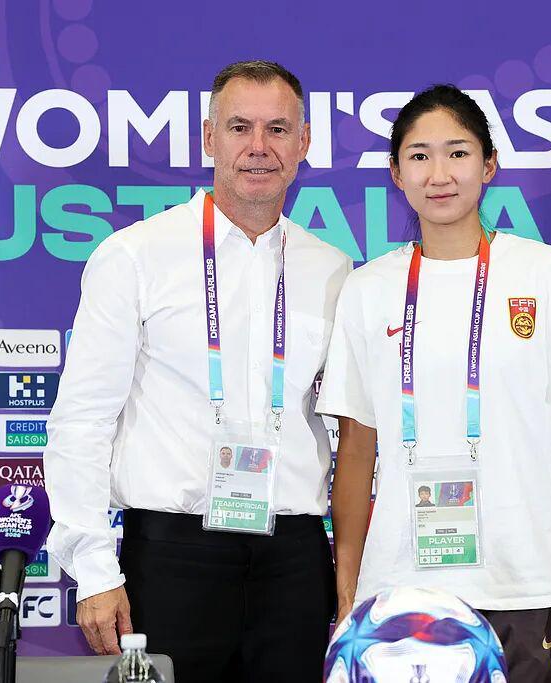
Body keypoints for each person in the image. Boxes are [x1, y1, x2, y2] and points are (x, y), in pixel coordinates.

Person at [44, 60, 350, 682]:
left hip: (294, 561)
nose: (259, 146)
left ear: (303, 143)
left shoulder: (333, 269)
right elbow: (82, 420)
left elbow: (350, 427)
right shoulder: (133, 256)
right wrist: (95, 571)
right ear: (209, 138)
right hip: (172, 558)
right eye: (239, 127)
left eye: (277, 129)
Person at [317, 84, 551, 682]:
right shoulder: (368, 288)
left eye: (457, 153)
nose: (439, 174)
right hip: (398, 596)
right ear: (396, 174)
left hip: (527, 586)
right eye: (419, 156)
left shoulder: (548, 273)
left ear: (489, 165)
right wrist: (348, 591)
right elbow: (355, 450)